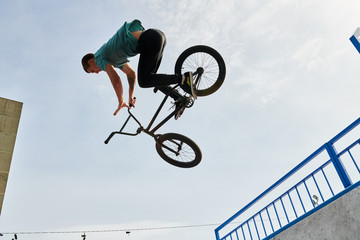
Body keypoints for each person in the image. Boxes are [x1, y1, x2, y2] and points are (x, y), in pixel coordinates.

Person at [82, 19, 196, 117]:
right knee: (152, 79)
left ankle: (183, 78)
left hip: (149, 40)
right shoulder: (114, 59)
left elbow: (115, 79)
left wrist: (121, 101)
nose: (96, 72)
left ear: (90, 61)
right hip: (157, 36)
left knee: (145, 81)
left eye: (92, 70)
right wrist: (130, 97)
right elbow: (131, 74)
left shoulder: (98, 57)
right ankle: (179, 99)